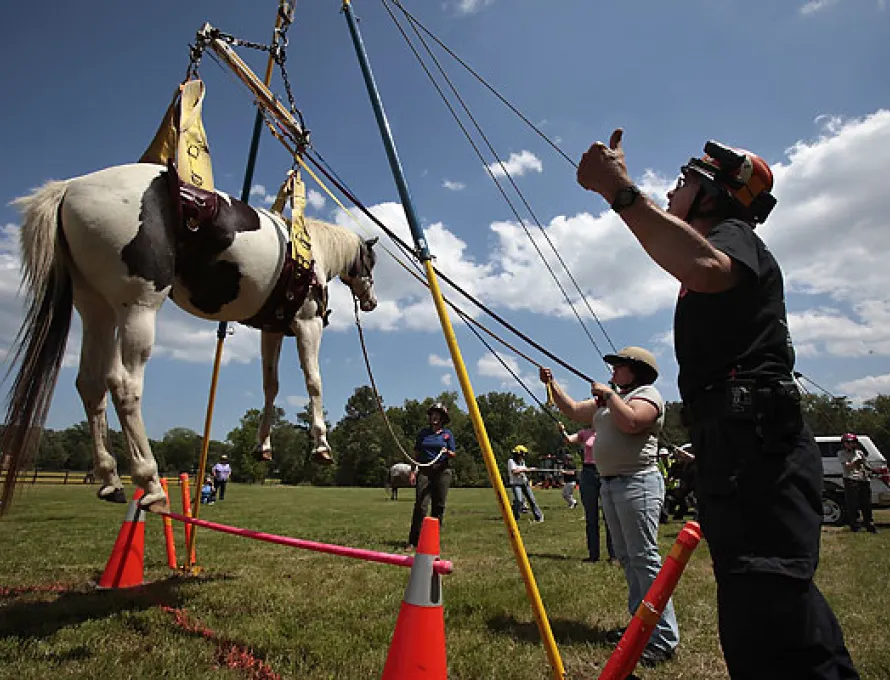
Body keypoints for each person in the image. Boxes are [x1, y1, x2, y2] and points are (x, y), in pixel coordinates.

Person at [576, 131, 858, 678]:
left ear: (714, 194)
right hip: (733, 442)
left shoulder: (734, 236)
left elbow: (702, 266)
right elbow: (687, 256)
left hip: (756, 444)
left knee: (771, 609)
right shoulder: (712, 241)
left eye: (684, 181)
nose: (673, 187)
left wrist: (620, 192)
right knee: (754, 613)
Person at [541, 347, 679, 667]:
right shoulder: (612, 399)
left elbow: (632, 422)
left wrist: (609, 396)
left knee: (644, 559)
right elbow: (574, 410)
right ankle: (640, 625)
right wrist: (552, 385)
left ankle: (663, 637)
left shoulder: (648, 396)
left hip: (638, 484)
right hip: (612, 485)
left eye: (619, 366)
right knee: (629, 559)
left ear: (637, 371)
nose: (613, 371)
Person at [559, 424, 616, 562]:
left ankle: (614, 555)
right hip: (588, 473)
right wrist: (562, 431)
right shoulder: (585, 433)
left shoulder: (610, 430)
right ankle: (593, 555)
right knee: (591, 517)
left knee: (610, 517)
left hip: (605, 471)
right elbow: (569, 440)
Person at [405, 403, 456, 551]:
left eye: (438, 414)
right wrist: (413, 472)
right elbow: (416, 454)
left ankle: (433, 540)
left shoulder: (447, 434)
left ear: (442, 418)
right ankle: (413, 541)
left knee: (438, 506)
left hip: (442, 471)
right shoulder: (423, 434)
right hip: (425, 470)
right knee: (420, 506)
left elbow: (453, 453)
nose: (434, 416)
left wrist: (446, 451)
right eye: (433, 414)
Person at [839, 433, 876, 533]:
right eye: (849, 442)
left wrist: (872, 471)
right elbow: (847, 467)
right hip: (851, 480)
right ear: (844, 444)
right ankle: (855, 526)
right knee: (853, 504)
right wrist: (856, 462)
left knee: (866, 504)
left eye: (853, 442)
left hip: (863, 479)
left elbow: (866, 465)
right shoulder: (842, 454)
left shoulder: (860, 452)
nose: (851, 444)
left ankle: (869, 525)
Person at [506, 445, 544, 522]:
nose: (524, 456)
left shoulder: (522, 461)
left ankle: (539, 517)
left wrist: (530, 471)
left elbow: (524, 470)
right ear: (517, 454)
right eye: (522, 454)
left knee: (532, 500)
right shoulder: (511, 461)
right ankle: (515, 517)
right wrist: (526, 470)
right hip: (516, 484)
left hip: (524, 483)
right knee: (519, 501)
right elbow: (514, 472)